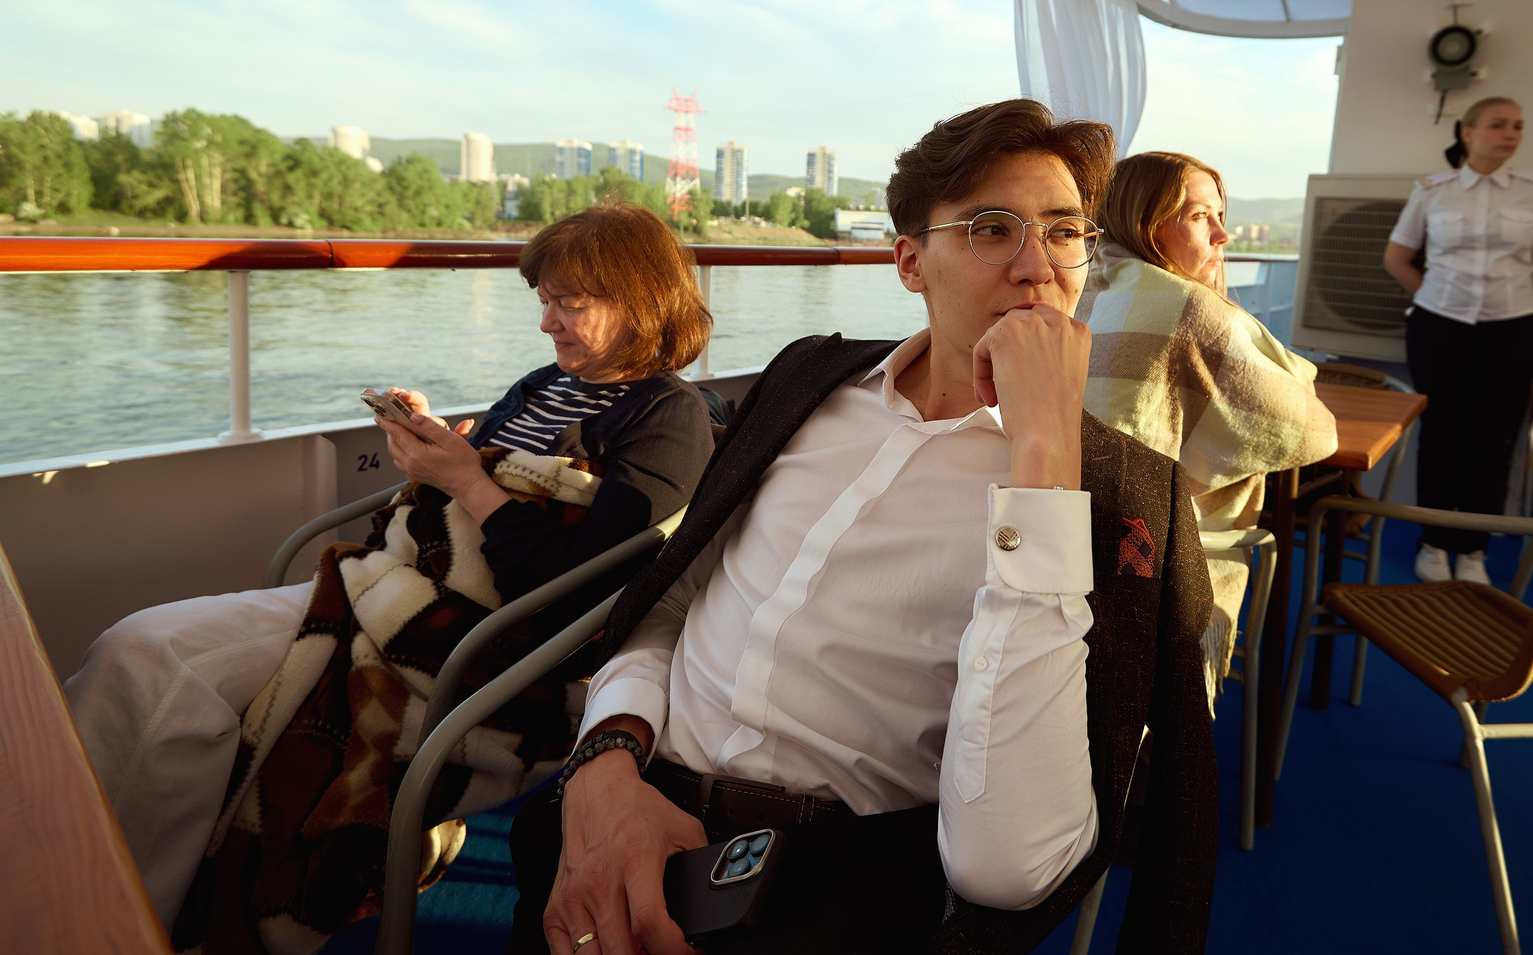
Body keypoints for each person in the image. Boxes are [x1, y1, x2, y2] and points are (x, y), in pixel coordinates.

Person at [509, 100, 1217, 955]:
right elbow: (677, 597)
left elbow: (1008, 868)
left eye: (1065, 232)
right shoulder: (807, 379)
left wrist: (1042, 457)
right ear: (910, 262)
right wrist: (605, 757)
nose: (1038, 267)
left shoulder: (1127, 494)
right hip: (627, 791)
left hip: (830, 879)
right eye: (993, 229)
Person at [63, 201, 716, 947]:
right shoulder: (543, 384)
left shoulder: (668, 419)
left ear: (639, 300)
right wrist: (434, 448)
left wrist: (466, 480)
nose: (547, 324)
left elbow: (580, 591)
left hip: (479, 640)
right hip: (389, 586)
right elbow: (480, 482)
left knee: (156, 662)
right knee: (139, 656)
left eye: (569, 303)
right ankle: (107, 903)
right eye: (544, 302)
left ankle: (106, 924)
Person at [1078, 151, 1336, 693]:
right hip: (1153, 558)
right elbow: (1314, 432)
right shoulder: (1192, 311)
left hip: (1067, 543)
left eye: (1221, 216)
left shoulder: (1080, 289)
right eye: (1199, 216)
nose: (1222, 234)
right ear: (1143, 223)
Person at [1382, 97, 1533, 584]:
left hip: (1512, 330)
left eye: (1517, 126)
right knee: (1440, 435)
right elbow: (1396, 258)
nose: (1511, 134)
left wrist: (1526, 305)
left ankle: (1473, 551)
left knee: (1494, 439)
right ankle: (1434, 543)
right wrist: (1432, 297)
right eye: (1498, 125)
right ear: (1468, 132)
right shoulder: (1433, 191)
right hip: (1439, 326)